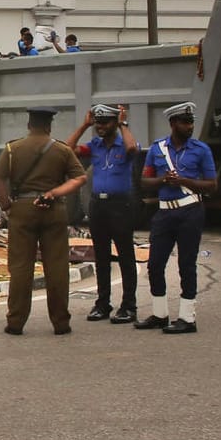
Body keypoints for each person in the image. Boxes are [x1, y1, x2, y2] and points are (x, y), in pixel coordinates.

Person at [0, 106, 86, 335]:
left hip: (22, 209)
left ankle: (15, 322)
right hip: (53, 209)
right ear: (49, 125)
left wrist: (6, 206)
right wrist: (55, 193)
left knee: (21, 267)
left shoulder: (13, 149)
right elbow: (80, 177)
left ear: (29, 125)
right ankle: (60, 322)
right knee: (57, 267)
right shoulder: (61, 150)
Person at [138, 101, 217, 334]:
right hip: (164, 211)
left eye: (191, 122)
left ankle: (187, 317)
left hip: (190, 211)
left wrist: (183, 181)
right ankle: (160, 314)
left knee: (186, 264)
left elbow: (211, 185)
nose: (190, 126)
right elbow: (144, 182)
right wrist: (163, 180)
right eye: (185, 122)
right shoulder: (157, 148)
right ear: (173, 124)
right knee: (154, 264)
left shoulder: (201, 149)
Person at [66, 103, 139, 323]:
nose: (100, 127)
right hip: (98, 205)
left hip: (121, 206)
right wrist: (84, 125)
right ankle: (103, 303)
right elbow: (68, 149)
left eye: (105, 122)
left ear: (115, 123)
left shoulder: (123, 144)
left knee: (126, 256)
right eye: (97, 123)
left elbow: (132, 149)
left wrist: (124, 123)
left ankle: (129, 305)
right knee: (102, 257)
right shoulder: (94, 146)